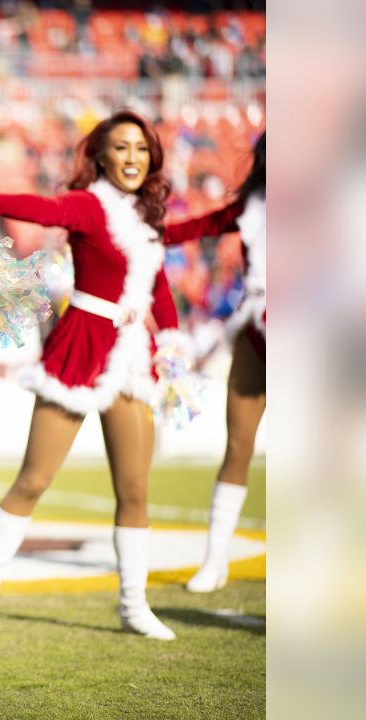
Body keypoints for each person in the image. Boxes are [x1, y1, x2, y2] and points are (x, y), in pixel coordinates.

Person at [0, 110, 186, 642]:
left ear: (151, 157)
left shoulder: (148, 218)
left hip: (132, 352)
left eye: (140, 149)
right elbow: (42, 207)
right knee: (33, 479)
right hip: (82, 343)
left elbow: (160, 286)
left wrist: (170, 342)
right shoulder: (89, 204)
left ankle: (133, 605)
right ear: (100, 155)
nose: (131, 158)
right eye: (121, 147)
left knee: (134, 488)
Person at [160, 133, 265, 593]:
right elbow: (189, 230)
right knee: (238, 445)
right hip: (257, 325)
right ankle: (215, 560)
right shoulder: (251, 207)